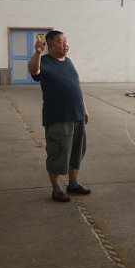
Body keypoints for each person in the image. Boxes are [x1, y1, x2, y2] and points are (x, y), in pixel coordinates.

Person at [28, 30, 91, 203]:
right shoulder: (44, 61)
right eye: (60, 41)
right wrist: (37, 53)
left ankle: (73, 184)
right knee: (58, 153)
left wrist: (84, 108)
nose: (65, 44)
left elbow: (76, 86)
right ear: (50, 45)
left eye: (65, 40)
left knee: (76, 151)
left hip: (76, 114)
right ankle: (56, 189)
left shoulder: (68, 62)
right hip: (58, 117)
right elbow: (33, 71)